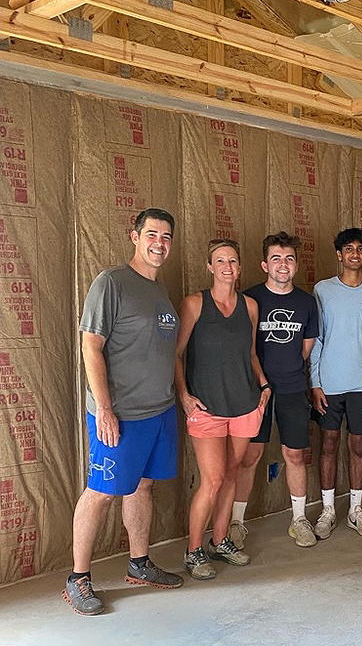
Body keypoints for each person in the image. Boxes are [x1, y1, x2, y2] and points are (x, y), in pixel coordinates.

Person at [64, 208, 183, 616]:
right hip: (119, 415)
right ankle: (78, 578)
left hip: (160, 411)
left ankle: (139, 563)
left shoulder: (160, 290)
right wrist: (105, 410)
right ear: (134, 236)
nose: (159, 243)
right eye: (152, 234)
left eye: (166, 236)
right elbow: (90, 346)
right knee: (100, 492)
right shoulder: (111, 283)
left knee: (143, 487)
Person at [174, 239, 270, 579]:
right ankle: (193, 550)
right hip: (207, 406)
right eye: (220, 260)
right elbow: (177, 352)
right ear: (210, 266)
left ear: (240, 267)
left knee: (231, 474)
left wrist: (264, 385)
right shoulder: (195, 304)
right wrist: (184, 396)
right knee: (212, 479)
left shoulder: (252, 307)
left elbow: (251, 353)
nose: (227, 266)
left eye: (233, 260)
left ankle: (221, 540)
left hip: (244, 404)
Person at [229, 232, 319, 550]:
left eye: (290, 258)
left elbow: (305, 350)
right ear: (265, 264)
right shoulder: (250, 299)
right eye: (277, 258)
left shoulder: (307, 303)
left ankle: (298, 520)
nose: (283, 264)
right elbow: (244, 347)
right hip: (255, 392)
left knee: (295, 454)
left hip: (293, 389)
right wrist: (263, 382)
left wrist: (285, 372)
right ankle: (237, 523)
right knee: (250, 456)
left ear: (296, 265)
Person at [310, 228, 362, 539]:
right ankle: (328, 509)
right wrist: (315, 382)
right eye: (348, 249)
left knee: (359, 445)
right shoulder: (322, 290)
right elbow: (316, 339)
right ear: (339, 255)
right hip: (329, 383)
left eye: (361, 249)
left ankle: (356, 510)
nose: (355, 254)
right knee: (328, 444)